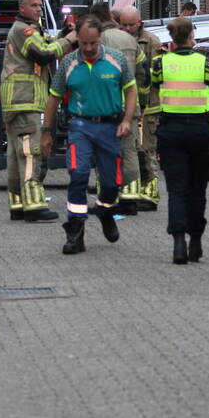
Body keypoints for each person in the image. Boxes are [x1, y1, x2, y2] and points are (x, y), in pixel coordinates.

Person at [42, 17, 136, 255]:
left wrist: (127, 119)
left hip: (110, 127)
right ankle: (75, 230)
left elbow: (131, 89)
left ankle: (105, 209)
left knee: (112, 182)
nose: (88, 48)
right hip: (80, 126)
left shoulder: (117, 59)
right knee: (78, 174)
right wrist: (46, 132)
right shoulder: (69, 63)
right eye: (83, 43)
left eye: (93, 43)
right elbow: (53, 97)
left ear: (100, 38)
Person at [0, 0, 76, 222]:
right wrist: (70, 39)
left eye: (40, 5)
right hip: (25, 99)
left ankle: (18, 203)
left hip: (18, 100)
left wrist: (62, 34)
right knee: (31, 152)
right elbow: (43, 54)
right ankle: (33, 204)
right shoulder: (23, 31)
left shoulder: (28, 30)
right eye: (33, 5)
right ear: (21, 8)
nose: (39, 9)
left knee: (16, 154)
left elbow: (45, 44)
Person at [152, 17, 209, 264]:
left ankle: (178, 243)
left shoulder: (160, 63)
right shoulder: (205, 62)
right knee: (197, 188)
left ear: (172, 38)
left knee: (176, 189)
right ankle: (196, 241)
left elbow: (155, 88)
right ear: (191, 35)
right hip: (200, 129)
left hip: (171, 130)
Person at [89, 2, 146, 215]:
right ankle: (130, 199)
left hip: (104, 108)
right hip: (129, 107)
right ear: (112, 18)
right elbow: (143, 73)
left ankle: (106, 200)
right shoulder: (130, 40)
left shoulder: (97, 40)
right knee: (129, 152)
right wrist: (142, 102)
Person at [119, 5, 163, 211]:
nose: (128, 29)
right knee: (132, 152)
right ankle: (134, 190)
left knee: (146, 151)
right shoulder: (120, 40)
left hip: (149, 108)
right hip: (130, 107)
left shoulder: (151, 42)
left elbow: (156, 74)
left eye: (131, 25)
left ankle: (150, 194)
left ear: (139, 22)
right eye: (124, 25)